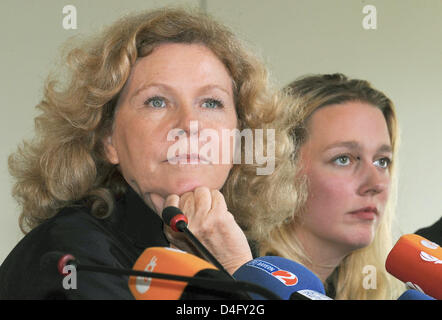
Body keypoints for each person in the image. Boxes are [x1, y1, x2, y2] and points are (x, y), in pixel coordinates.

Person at [0, 7, 293, 299]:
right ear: (107, 138)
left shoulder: (238, 247)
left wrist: (238, 268)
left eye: (211, 103)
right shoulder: (70, 256)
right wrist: (231, 280)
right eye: (157, 101)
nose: (189, 125)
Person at [254, 73, 405, 299]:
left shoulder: (380, 290)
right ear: (282, 168)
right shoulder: (236, 279)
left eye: (381, 161)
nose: (375, 184)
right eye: (343, 159)